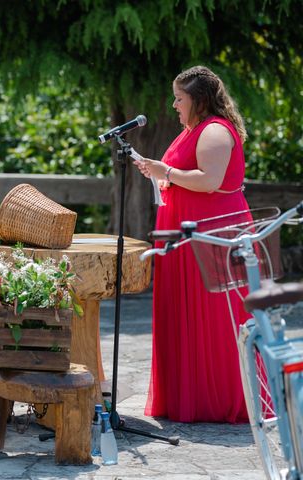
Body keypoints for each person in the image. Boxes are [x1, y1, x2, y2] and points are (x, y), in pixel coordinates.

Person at [133, 65, 251, 423]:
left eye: (180, 98)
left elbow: (210, 180)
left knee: (212, 317)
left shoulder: (214, 130)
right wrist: (160, 174)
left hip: (210, 233)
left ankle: (213, 400)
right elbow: (184, 178)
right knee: (185, 312)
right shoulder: (193, 130)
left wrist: (164, 172)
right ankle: (187, 395)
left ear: (198, 100)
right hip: (187, 232)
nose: (174, 105)